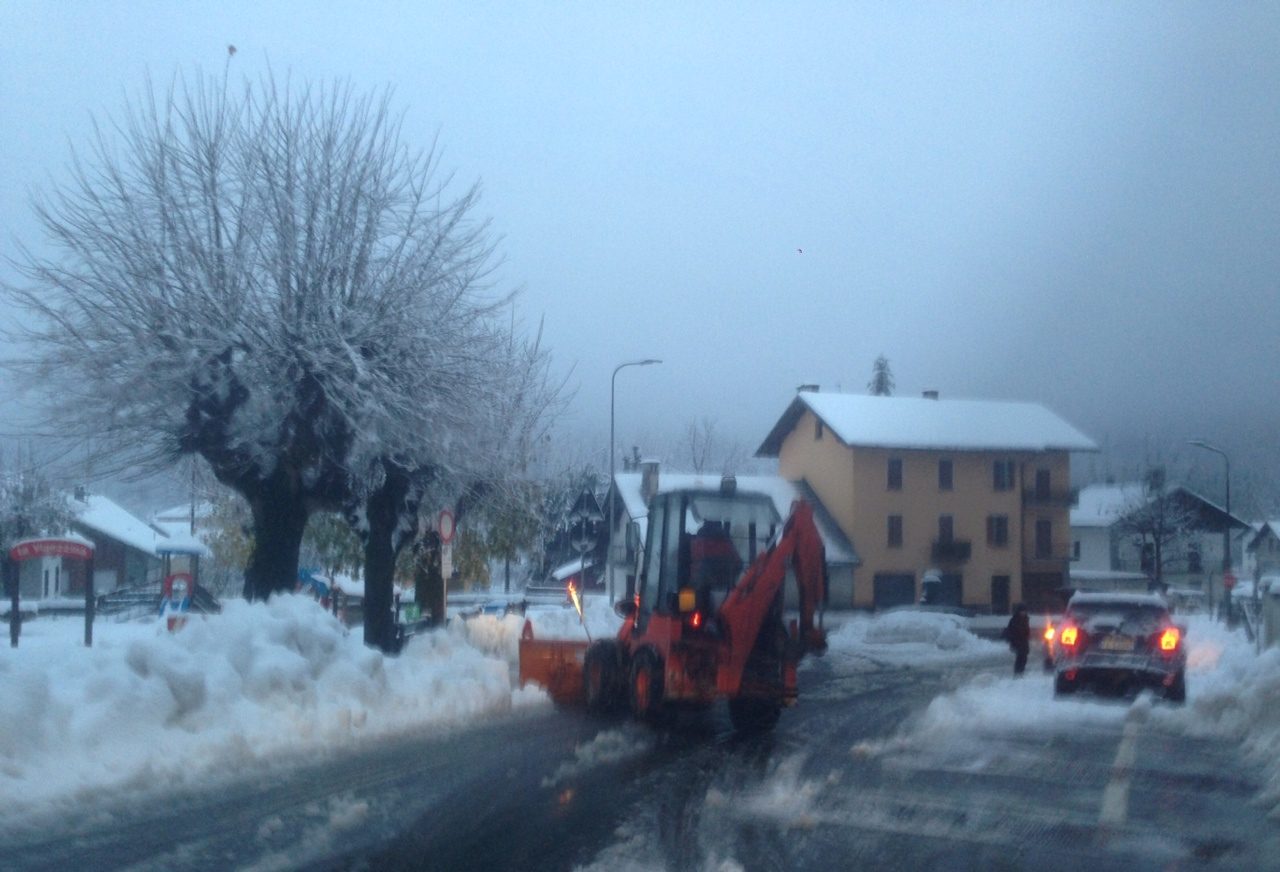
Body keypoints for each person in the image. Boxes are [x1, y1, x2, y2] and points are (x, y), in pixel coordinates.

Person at [1002, 603, 1031, 675]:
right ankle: (1017, 672)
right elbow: (1011, 630)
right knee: (1020, 657)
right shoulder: (1014, 620)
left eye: (1024, 611)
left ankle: (1021, 672)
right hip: (1017, 641)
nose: (1023, 613)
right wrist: (1014, 640)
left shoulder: (1025, 619)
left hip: (1024, 641)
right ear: (1019, 611)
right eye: (1022, 611)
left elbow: (1026, 630)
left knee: (1024, 658)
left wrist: (1027, 635)